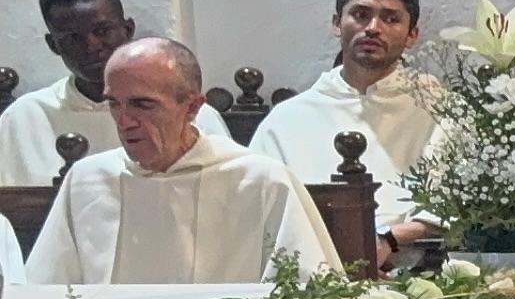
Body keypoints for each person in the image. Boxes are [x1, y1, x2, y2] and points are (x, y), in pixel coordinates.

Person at [25, 37, 342, 285]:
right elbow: (45, 292)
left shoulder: (260, 181)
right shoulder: (88, 180)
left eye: (142, 105)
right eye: (114, 104)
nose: (125, 121)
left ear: (192, 107)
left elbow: (308, 294)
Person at [252, 0, 441, 257]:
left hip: (418, 267)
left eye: (390, 19)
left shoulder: (440, 109)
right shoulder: (287, 120)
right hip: (311, 271)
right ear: (337, 23)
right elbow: (261, 206)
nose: (373, 28)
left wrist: (387, 241)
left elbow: (457, 204)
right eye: (361, 15)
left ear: (412, 35)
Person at [3, 0, 136, 186]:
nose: (91, 46)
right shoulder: (24, 118)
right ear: (53, 45)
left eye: (102, 31)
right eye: (72, 38)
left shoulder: (177, 108)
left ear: (127, 30)